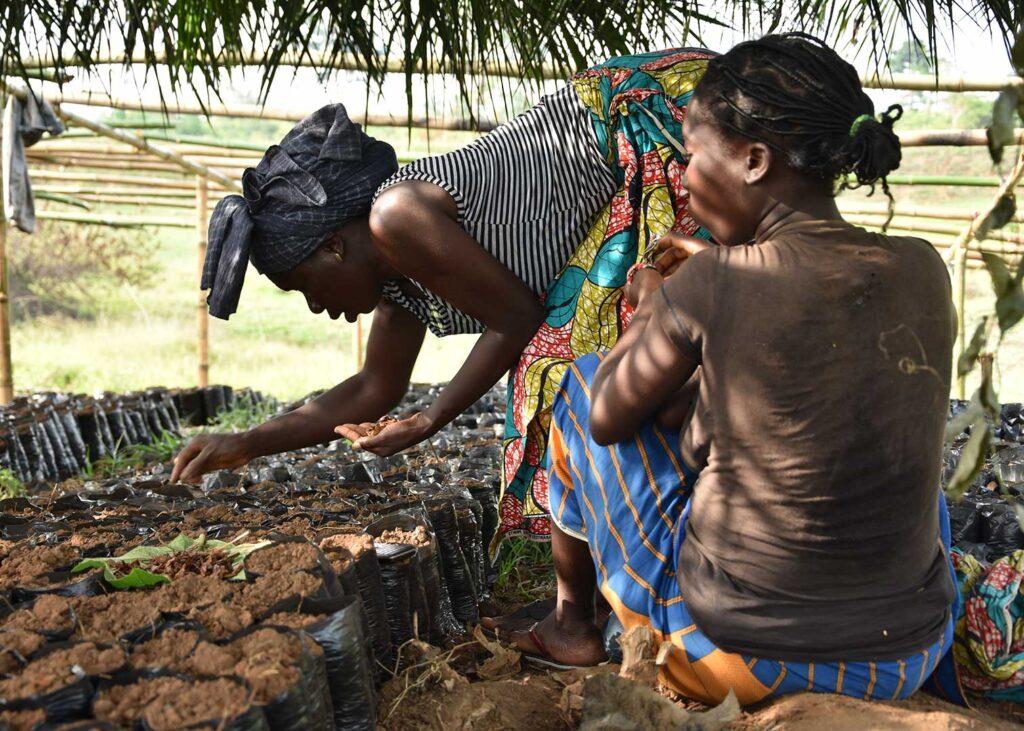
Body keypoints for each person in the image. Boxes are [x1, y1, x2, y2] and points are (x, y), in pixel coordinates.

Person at [500, 32, 964, 706]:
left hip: (743, 656)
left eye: (692, 155)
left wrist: (658, 306)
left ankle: (572, 623)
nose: (685, 177)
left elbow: (607, 417)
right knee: (888, 462)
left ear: (753, 159)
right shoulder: (923, 266)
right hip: (905, 653)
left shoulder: (714, 281)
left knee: (579, 384)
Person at [171, 46, 716, 539]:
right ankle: (617, 582)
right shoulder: (400, 286)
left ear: (333, 246)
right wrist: (246, 442)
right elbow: (372, 387)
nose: (317, 307)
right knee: (595, 373)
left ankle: (631, 579)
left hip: (648, 121)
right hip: (630, 157)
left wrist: (431, 419)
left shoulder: (396, 214)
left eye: (305, 288)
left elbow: (517, 317)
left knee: (565, 375)